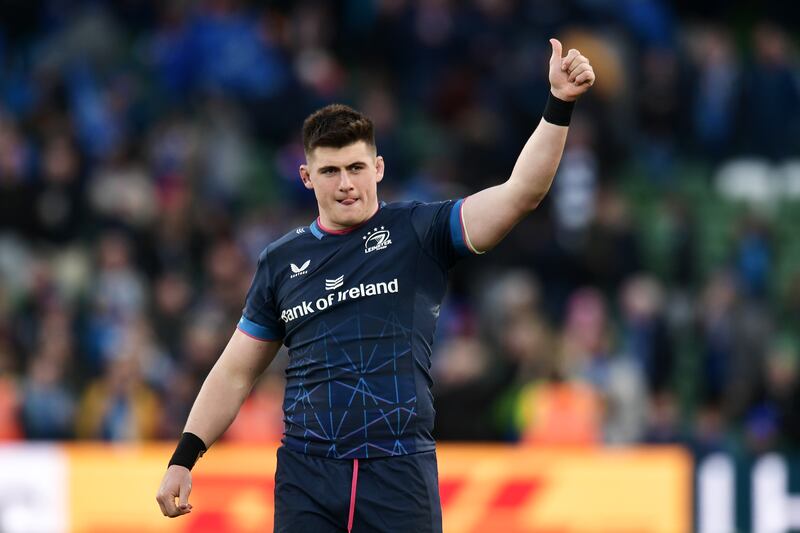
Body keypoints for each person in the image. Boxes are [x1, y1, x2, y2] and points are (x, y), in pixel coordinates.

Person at [156, 38, 595, 532]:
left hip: (399, 468)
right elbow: (236, 370)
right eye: (331, 171)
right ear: (306, 177)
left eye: (357, 168)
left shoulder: (420, 230)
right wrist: (184, 457)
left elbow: (520, 194)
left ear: (378, 168)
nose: (346, 183)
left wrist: (559, 104)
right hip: (307, 472)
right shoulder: (281, 261)